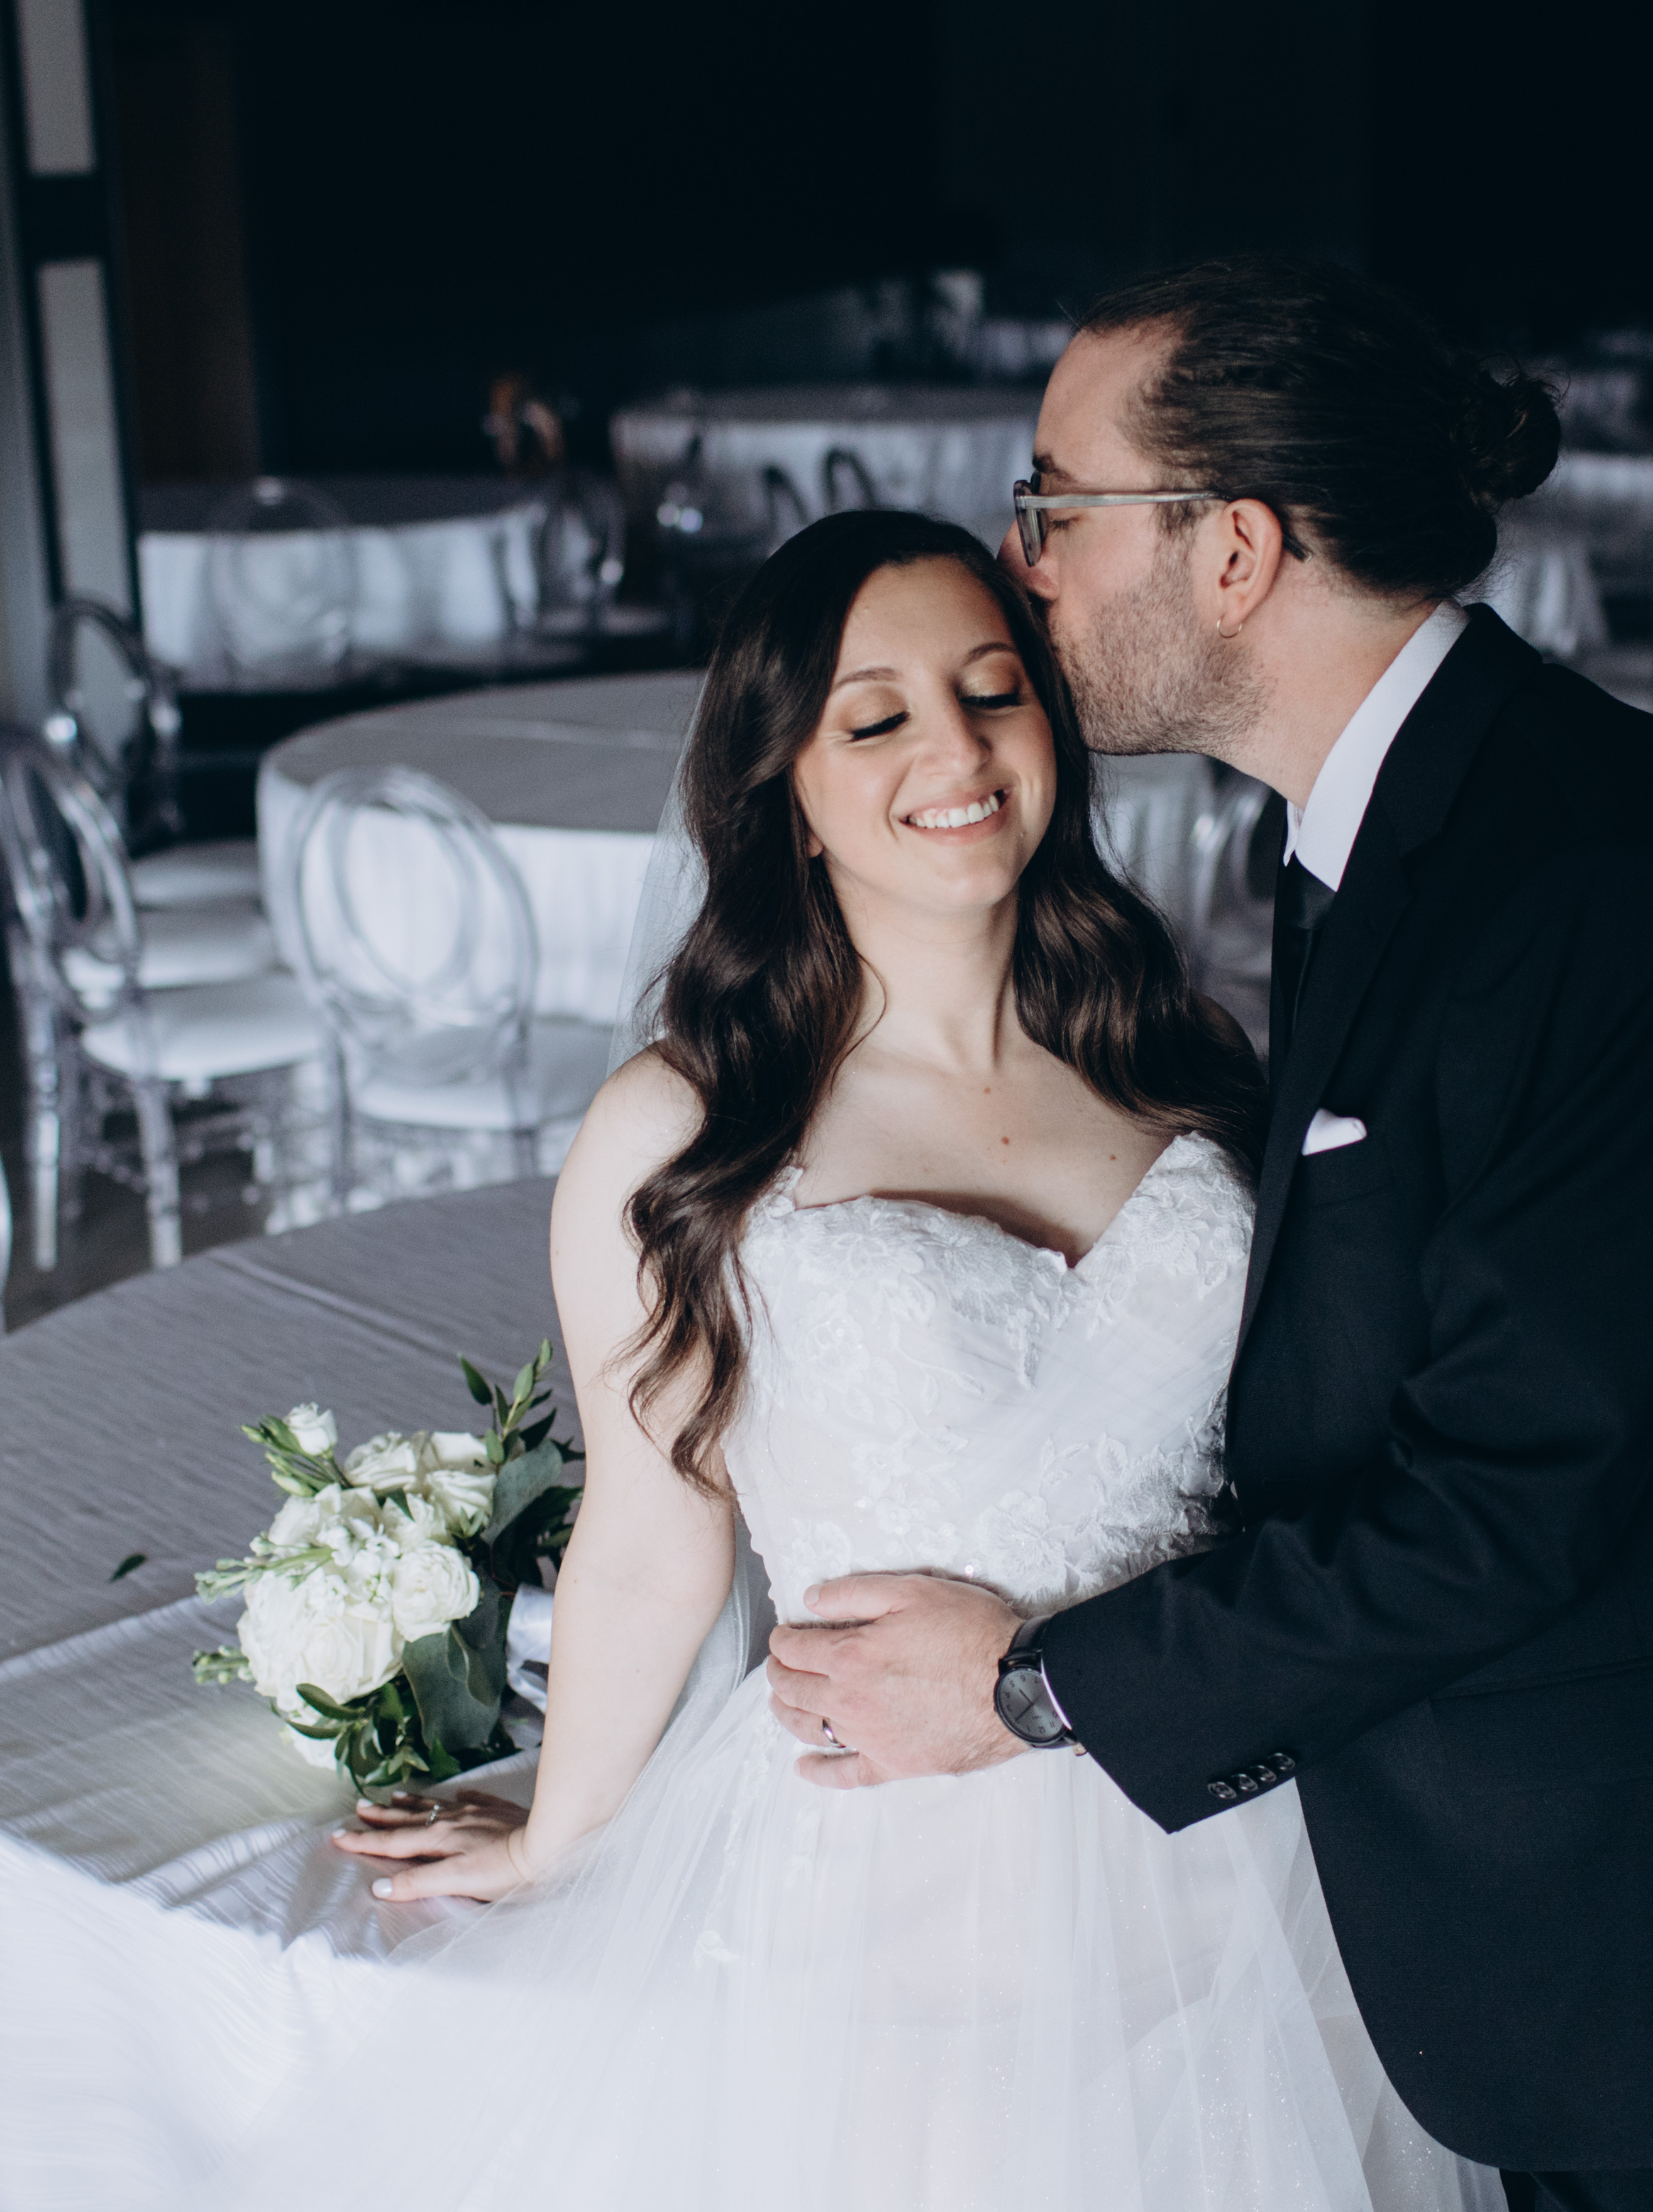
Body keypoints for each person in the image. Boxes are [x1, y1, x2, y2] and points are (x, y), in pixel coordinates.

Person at [761, 257, 1653, 2210]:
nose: (1021, 564)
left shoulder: (1589, 881)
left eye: (1055, 506)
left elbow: (1510, 1498)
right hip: (1578, 1900)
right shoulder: (1397, 818)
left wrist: (1033, 1684)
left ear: (1233, 549)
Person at [288, 506, 1496, 2209]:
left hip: (1221, 1814)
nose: (958, 750)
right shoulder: (686, 1127)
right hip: (901, 1873)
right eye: (875, 719)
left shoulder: (1182, 1052)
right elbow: (649, 1545)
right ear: (784, 786)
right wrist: (559, 1834)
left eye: (995, 690)